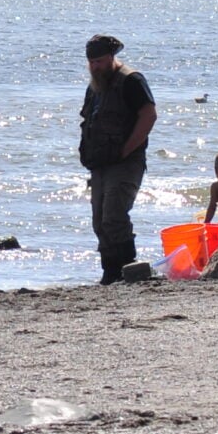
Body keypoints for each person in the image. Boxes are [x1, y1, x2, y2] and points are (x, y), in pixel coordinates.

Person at [78, 34, 157, 284]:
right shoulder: (96, 86)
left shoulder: (131, 81)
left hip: (125, 163)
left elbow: (149, 116)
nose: (95, 67)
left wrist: (126, 150)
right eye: (91, 62)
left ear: (112, 58)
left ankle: (126, 271)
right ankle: (109, 273)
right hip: (100, 163)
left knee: (114, 216)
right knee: (99, 221)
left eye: (99, 61)